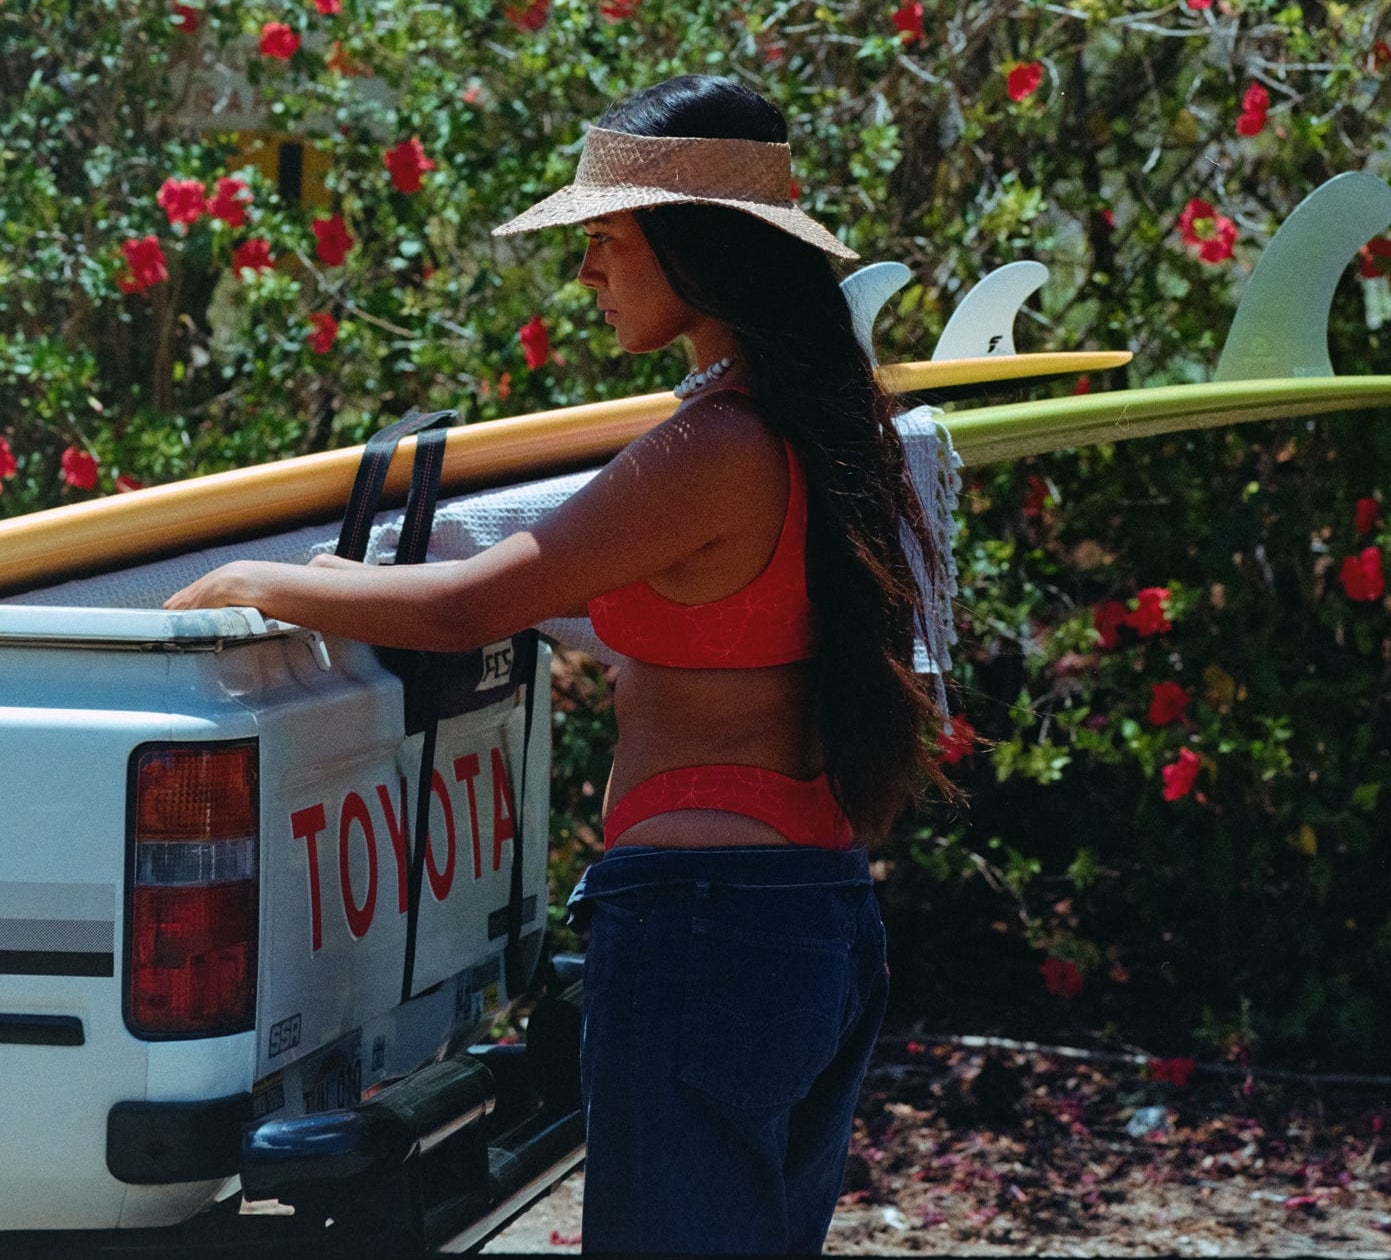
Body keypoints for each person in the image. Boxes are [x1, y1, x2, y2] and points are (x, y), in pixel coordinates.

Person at [167, 74, 955, 1255]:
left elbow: (468, 604)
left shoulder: (714, 449)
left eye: (609, 239)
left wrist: (259, 581)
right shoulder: (818, 425)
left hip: (706, 928)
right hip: (806, 914)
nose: (587, 271)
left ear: (694, 249)